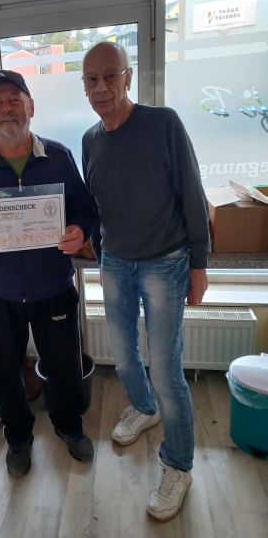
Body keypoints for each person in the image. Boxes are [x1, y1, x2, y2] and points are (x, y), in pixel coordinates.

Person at [81, 43, 210, 522]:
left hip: (166, 263)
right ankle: (143, 407)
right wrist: (99, 253)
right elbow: (97, 206)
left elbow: (192, 193)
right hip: (115, 262)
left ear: (128, 76)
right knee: (121, 352)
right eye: (91, 79)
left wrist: (199, 264)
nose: (101, 87)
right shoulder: (90, 140)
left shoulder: (163, 124)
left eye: (109, 75)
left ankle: (178, 465)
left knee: (166, 370)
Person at [0, 70, 96, 477]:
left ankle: (70, 427)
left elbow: (85, 208)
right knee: (4, 369)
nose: (7, 109)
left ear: (30, 106)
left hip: (52, 287)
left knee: (64, 364)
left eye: (14, 99)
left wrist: (79, 229)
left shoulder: (59, 156)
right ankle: (17, 437)